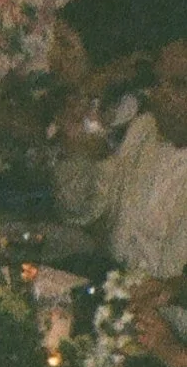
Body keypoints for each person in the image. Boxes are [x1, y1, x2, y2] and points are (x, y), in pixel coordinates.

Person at [52, 27, 187, 276]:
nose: (162, 95)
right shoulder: (144, 131)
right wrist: (79, 153)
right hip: (109, 290)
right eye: (158, 82)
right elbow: (82, 213)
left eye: (180, 85)